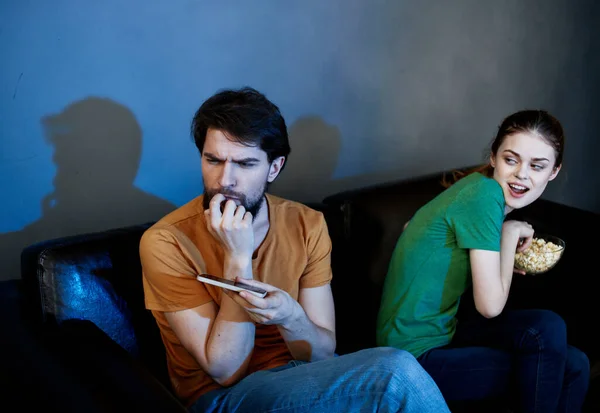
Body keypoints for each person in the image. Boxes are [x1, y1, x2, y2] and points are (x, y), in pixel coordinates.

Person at [140, 86, 449, 413]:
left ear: (273, 168)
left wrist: (291, 316)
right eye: (213, 160)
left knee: (393, 374)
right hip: (225, 398)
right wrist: (238, 259)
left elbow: (321, 353)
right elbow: (226, 371)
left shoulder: (307, 224)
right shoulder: (167, 241)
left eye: (245, 164)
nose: (224, 180)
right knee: (394, 374)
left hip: (306, 377)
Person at [376, 109, 590, 412]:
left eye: (537, 165)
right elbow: (489, 307)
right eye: (511, 160)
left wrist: (497, 248)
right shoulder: (484, 194)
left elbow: (412, 227)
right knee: (565, 361)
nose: (522, 174)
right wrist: (508, 234)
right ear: (494, 156)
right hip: (412, 356)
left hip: (445, 331)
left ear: (554, 170)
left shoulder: (477, 188)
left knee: (568, 351)